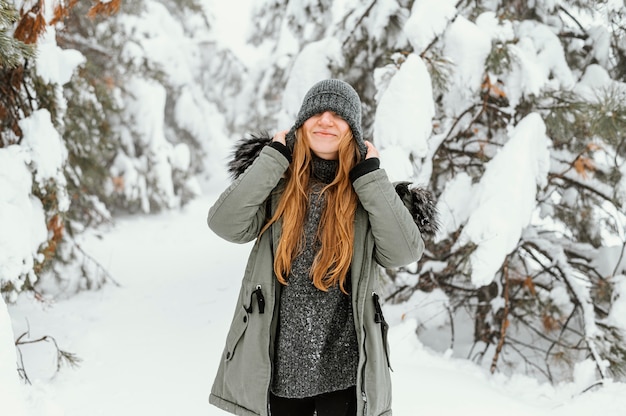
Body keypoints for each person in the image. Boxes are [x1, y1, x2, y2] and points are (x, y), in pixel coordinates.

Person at [207, 79, 425, 416]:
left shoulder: (369, 194)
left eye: (338, 115)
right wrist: (272, 159)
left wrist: (370, 176)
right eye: (317, 113)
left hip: (347, 377)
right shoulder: (275, 187)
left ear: (353, 131)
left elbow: (403, 253)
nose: (326, 120)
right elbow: (224, 223)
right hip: (277, 371)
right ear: (301, 124)